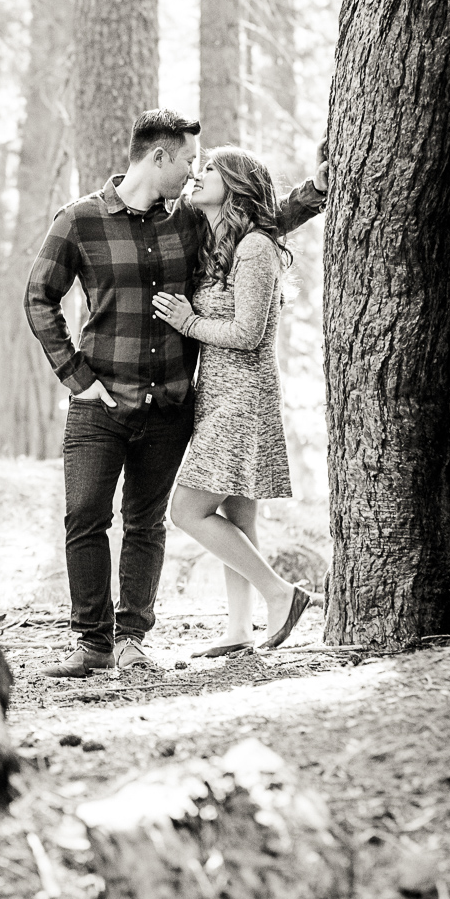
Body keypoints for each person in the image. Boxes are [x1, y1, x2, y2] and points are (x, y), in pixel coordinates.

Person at [24, 112, 325, 678]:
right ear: (157, 157)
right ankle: (92, 644)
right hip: (100, 403)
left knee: (146, 522)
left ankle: (132, 640)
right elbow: (39, 298)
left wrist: (315, 194)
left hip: (170, 404)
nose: (193, 171)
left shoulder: (189, 220)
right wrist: (76, 378)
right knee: (85, 517)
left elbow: (254, 220)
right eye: (189, 159)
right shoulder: (80, 220)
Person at [152, 145, 317, 657]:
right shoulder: (227, 243)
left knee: (187, 510)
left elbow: (247, 332)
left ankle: (281, 593)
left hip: (243, 397)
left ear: (238, 186)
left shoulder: (256, 249)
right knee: (237, 518)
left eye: (210, 171)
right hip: (218, 395)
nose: (197, 177)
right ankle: (239, 628)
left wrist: (188, 322)